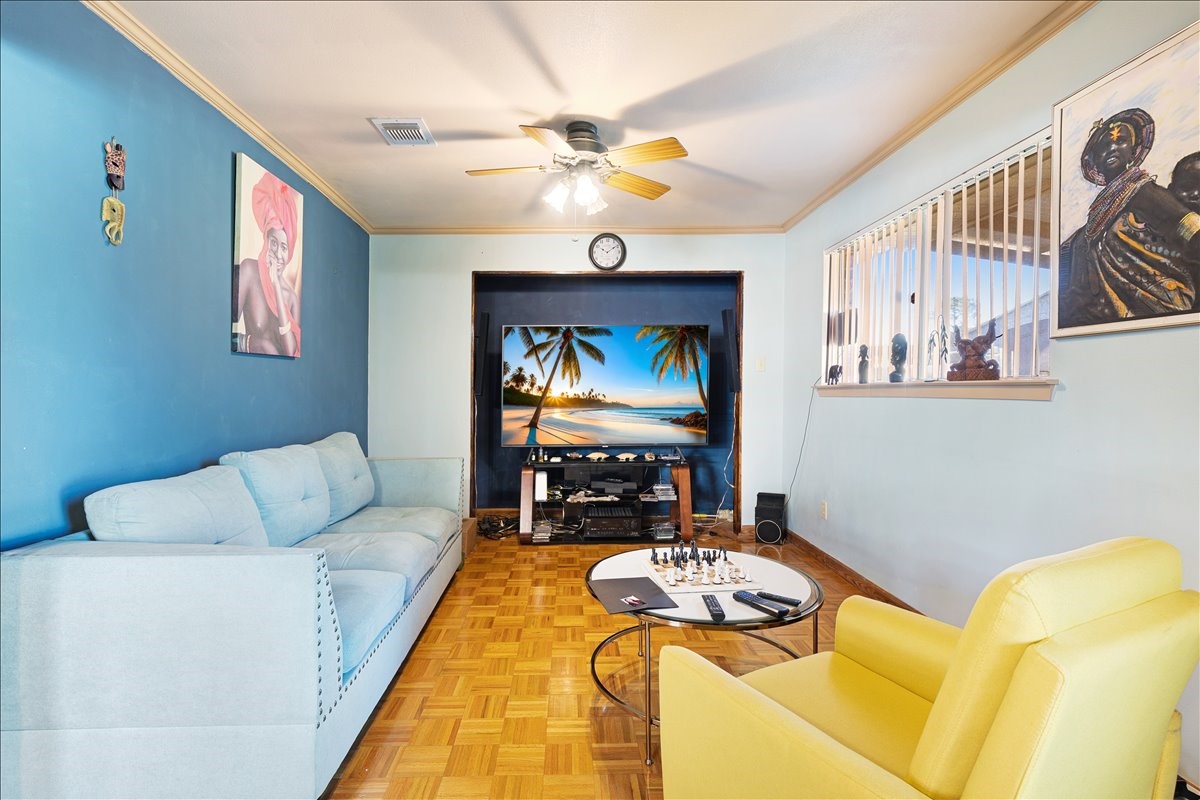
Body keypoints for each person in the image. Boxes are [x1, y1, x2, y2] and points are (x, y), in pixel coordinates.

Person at [1058, 109, 1200, 327]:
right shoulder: (1098, 211)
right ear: (1094, 160)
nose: (1112, 147)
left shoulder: (1145, 192)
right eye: (1103, 146)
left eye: (1121, 141)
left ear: (1133, 151)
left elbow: (1193, 231)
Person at [234, 171, 301, 356]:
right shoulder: (248, 271)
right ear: (266, 240)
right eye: (273, 243)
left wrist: (276, 287)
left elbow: (290, 351)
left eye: (284, 247)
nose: (278, 254)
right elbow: (223, 335)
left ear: (291, 250)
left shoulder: (292, 299)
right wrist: (250, 344)